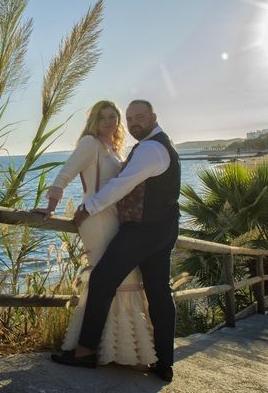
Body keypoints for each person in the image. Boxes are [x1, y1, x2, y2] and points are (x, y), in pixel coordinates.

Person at [51, 100, 180, 383]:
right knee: (158, 292)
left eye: (139, 117)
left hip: (141, 232)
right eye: (130, 118)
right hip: (164, 230)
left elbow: (122, 185)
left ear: (153, 116)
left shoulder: (148, 149)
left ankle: (84, 353)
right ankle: (164, 362)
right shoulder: (162, 145)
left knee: (101, 281)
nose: (133, 122)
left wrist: (89, 207)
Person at [36, 100, 157, 366]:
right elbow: (65, 173)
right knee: (108, 279)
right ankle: (89, 350)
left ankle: (107, 348)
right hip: (95, 219)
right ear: (93, 120)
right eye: (102, 117)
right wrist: (51, 206)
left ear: (118, 121)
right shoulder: (90, 143)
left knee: (121, 278)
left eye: (112, 117)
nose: (108, 121)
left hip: (115, 218)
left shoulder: (113, 148)